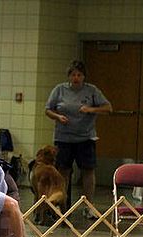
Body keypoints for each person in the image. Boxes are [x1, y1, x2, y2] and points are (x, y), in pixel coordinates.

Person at [45, 60, 112, 219]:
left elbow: (108, 108)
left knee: (88, 171)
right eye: (73, 75)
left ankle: (88, 206)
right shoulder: (59, 90)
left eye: (79, 75)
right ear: (69, 76)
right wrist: (57, 116)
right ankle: (62, 204)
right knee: (63, 171)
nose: (76, 78)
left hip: (85, 137)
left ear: (84, 77)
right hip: (64, 137)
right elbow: (48, 110)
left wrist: (91, 109)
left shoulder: (92, 91)